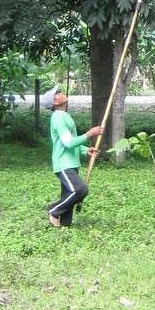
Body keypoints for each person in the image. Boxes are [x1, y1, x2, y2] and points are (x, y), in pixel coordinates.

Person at [46, 91, 103, 227]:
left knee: (68, 194)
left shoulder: (64, 116)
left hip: (71, 162)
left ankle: (65, 225)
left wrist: (84, 150)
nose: (61, 93)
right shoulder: (58, 118)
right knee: (80, 190)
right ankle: (53, 211)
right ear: (55, 102)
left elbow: (70, 140)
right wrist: (89, 134)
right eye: (57, 93)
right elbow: (68, 143)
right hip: (63, 163)